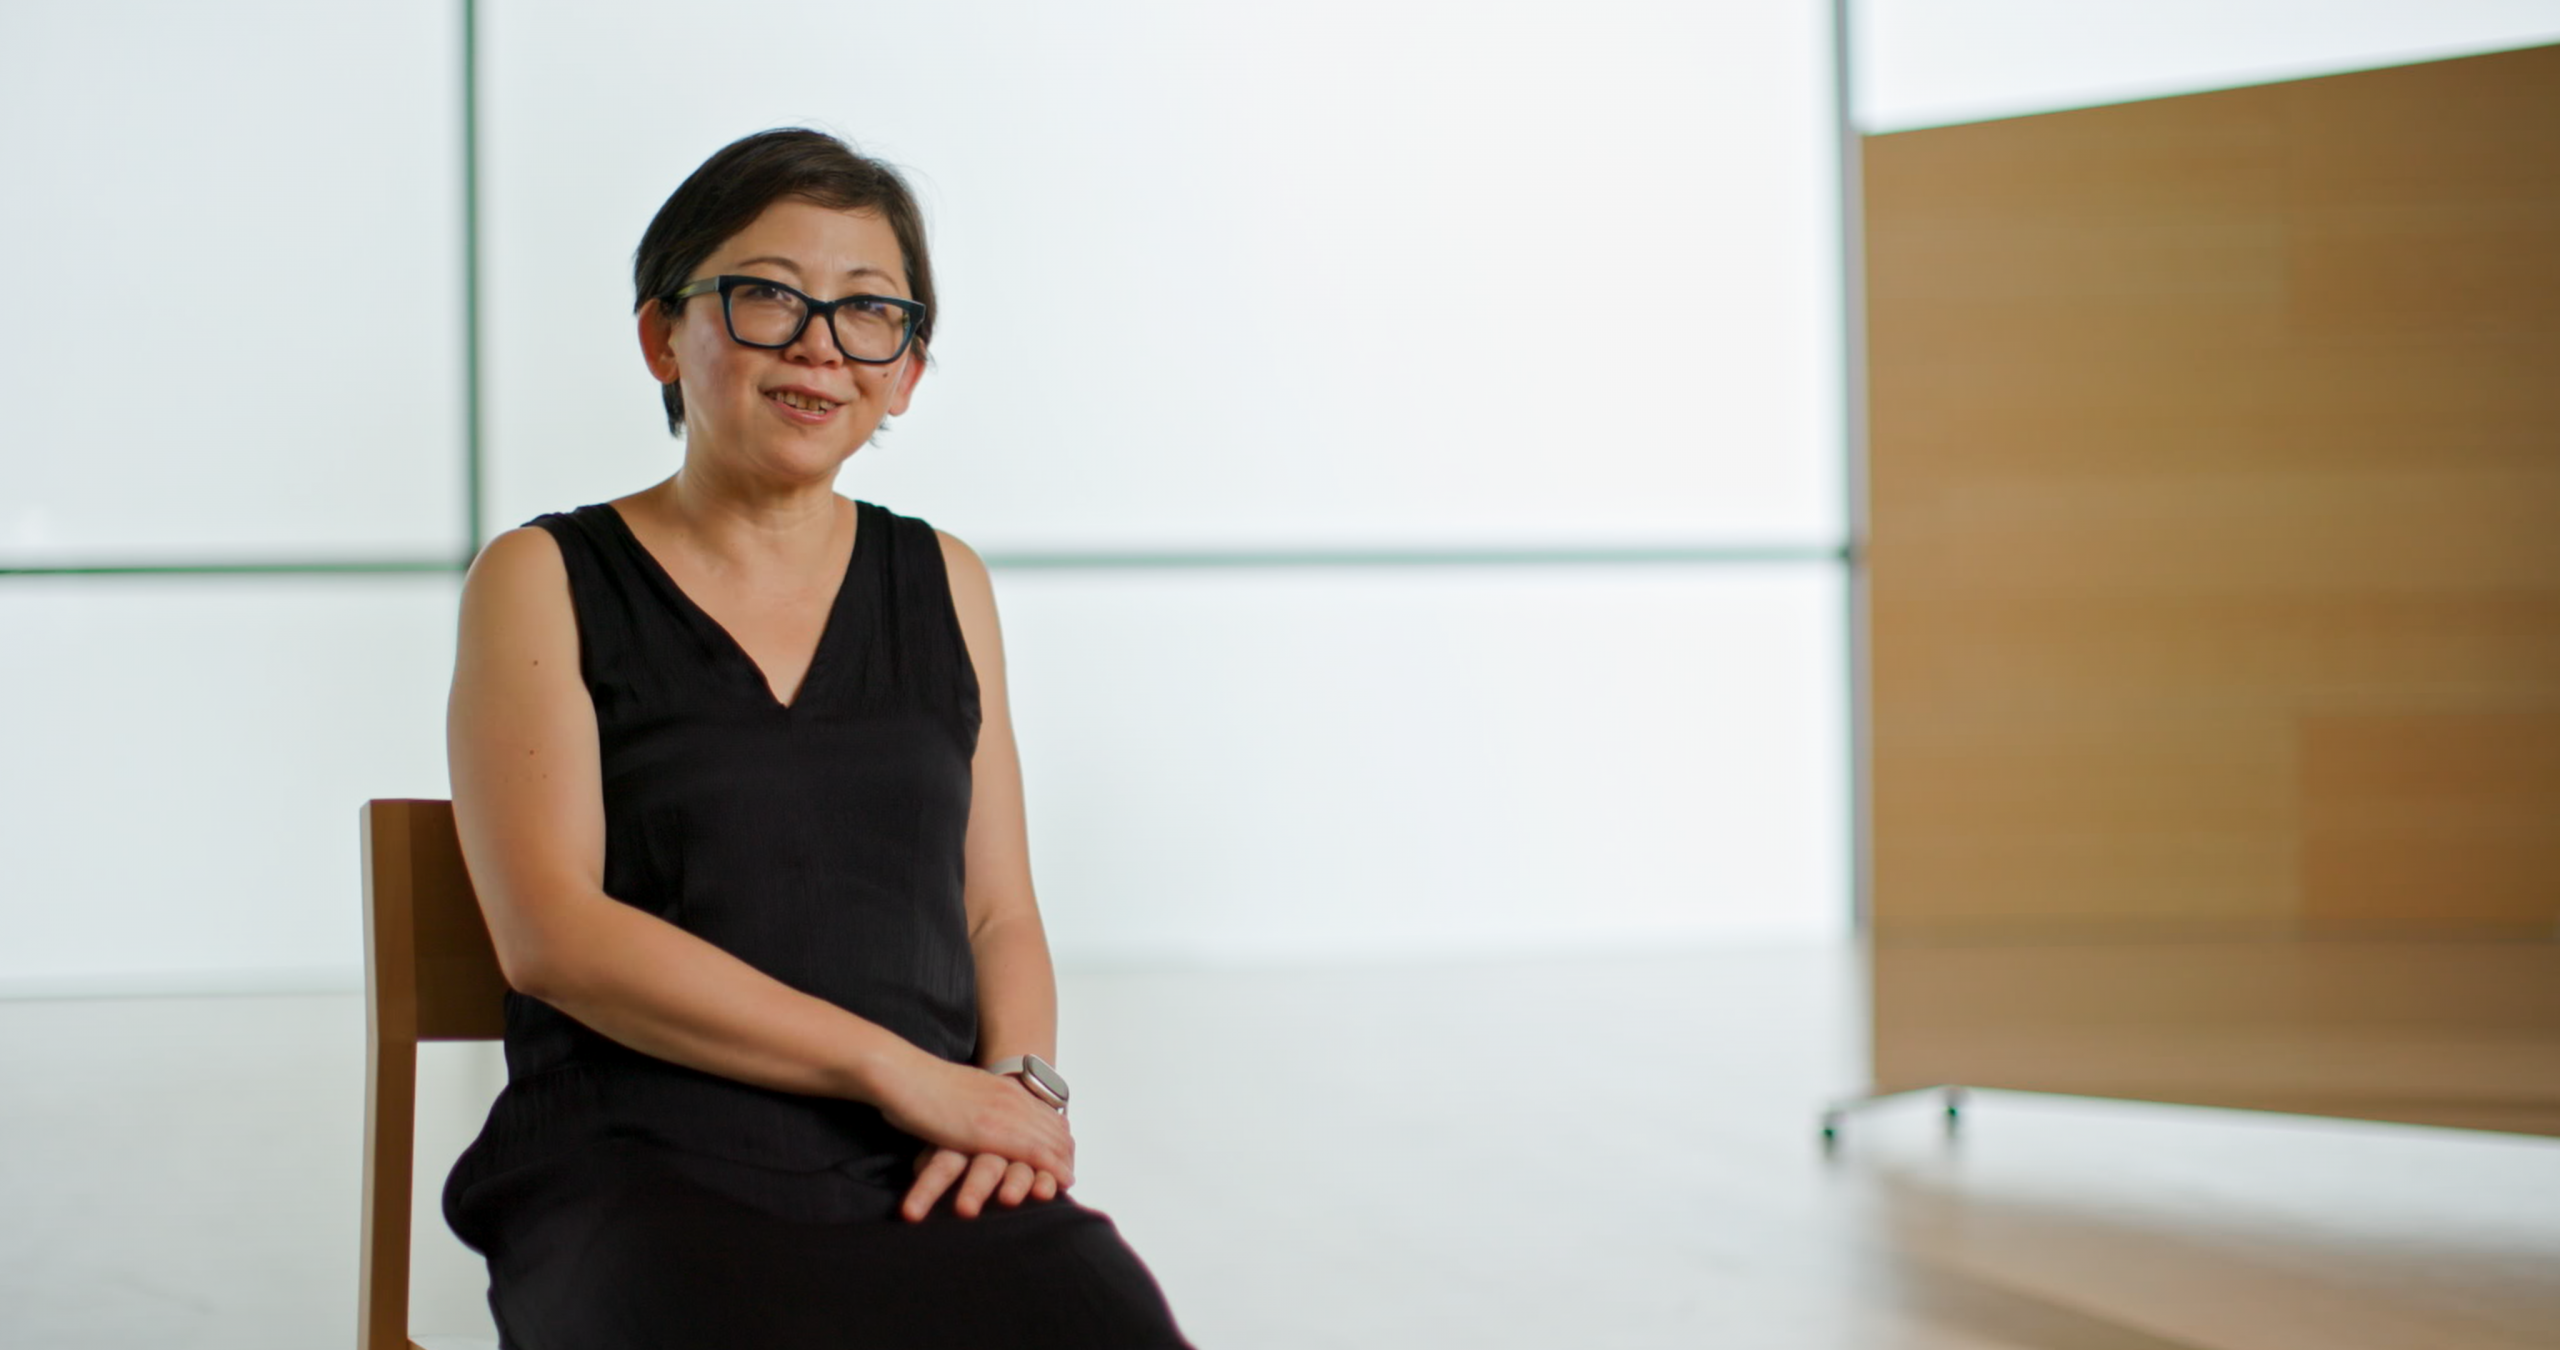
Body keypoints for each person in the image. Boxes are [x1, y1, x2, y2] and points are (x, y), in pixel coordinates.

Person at [438, 127, 1196, 1349]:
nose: (819, 345)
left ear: (907, 371)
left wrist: (1019, 1095)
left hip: (923, 1154)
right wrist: (900, 1069)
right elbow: (553, 938)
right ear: (662, 335)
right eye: (769, 296)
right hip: (641, 1155)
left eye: (868, 312)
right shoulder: (541, 576)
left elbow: (998, 912)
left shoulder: (944, 578)